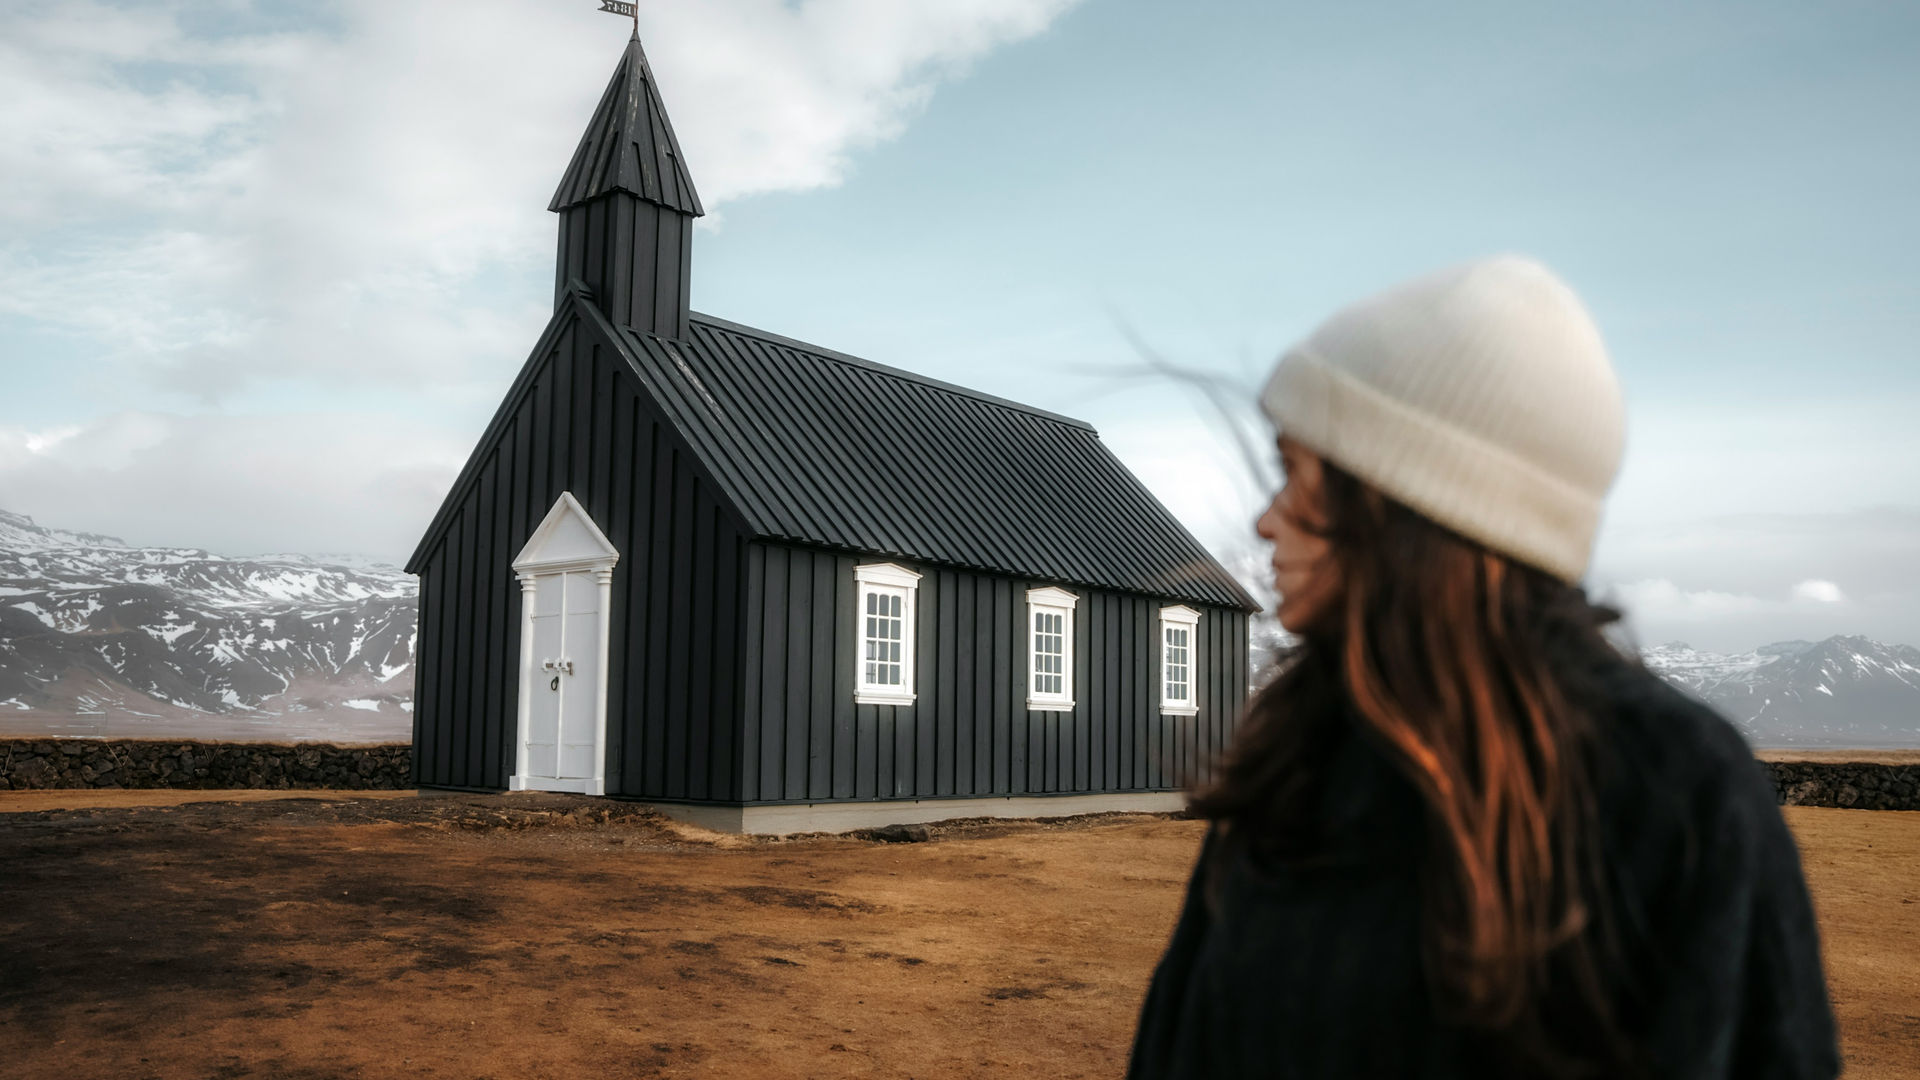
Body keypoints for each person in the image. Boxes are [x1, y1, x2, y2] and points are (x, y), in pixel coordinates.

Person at [1127, 256, 1840, 1079]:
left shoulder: (1676, 791)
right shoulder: (1299, 755)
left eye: (1295, 473)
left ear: (1405, 498)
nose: (1266, 521)